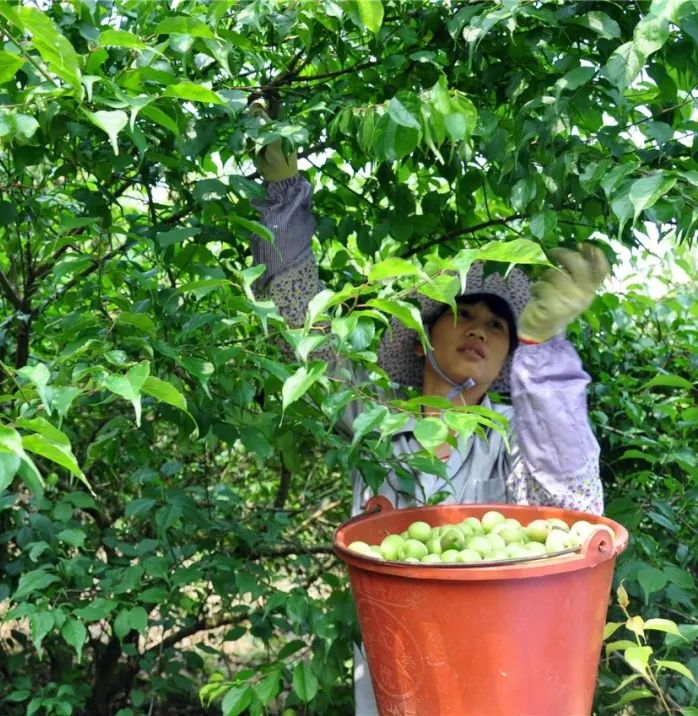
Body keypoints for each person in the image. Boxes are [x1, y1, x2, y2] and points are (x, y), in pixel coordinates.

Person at [248, 113, 608, 712]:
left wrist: (542, 346)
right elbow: (297, 325)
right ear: (421, 338)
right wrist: (282, 196)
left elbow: (572, 503)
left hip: (505, 678)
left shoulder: (516, 436)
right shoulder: (375, 415)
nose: (482, 332)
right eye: (464, 315)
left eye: (499, 326)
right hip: (400, 683)